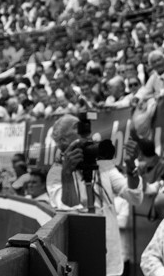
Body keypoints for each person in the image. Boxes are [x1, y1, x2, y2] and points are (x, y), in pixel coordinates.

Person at [47, 114, 143, 276]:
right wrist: (67, 173)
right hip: (81, 261)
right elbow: (68, 210)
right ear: (63, 142)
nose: (86, 138)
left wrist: (131, 168)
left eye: (87, 133)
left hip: (112, 261)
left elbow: (134, 197)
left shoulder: (103, 165)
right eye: (78, 133)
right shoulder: (56, 173)